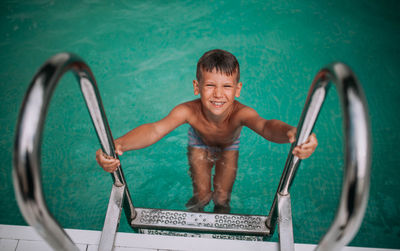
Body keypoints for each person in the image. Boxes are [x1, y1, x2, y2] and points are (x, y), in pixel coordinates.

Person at [96, 49, 318, 214]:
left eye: (227, 86)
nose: (218, 94)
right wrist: (118, 144)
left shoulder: (242, 114)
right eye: (210, 85)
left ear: (238, 89)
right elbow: (155, 129)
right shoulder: (187, 111)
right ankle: (196, 220)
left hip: (229, 146)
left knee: (222, 197)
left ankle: (220, 223)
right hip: (198, 143)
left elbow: (266, 126)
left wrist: (293, 132)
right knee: (201, 195)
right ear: (197, 87)